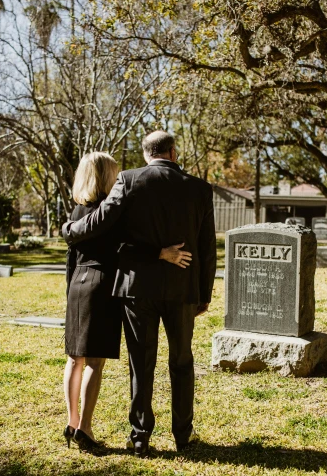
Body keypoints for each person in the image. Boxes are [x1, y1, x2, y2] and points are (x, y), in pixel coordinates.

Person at [62, 132, 217, 456]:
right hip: (182, 288)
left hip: (136, 288)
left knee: (141, 363)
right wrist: (204, 294)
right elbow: (207, 247)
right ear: (174, 152)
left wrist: (69, 230)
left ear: (147, 154)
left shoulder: (129, 181)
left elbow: (103, 223)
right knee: (182, 362)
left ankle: (139, 437)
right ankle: (183, 436)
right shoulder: (200, 188)